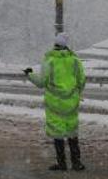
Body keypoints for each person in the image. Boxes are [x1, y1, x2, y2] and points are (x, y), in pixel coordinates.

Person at [24, 33, 86, 171]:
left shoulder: (49, 61)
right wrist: (76, 93)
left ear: (55, 45)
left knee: (58, 134)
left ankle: (61, 163)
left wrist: (29, 75)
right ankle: (76, 162)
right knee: (72, 132)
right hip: (71, 103)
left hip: (55, 104)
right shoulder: (75, 60)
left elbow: (41, 82)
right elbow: (82, 80)